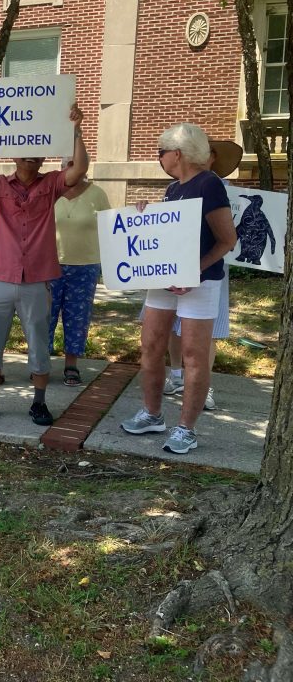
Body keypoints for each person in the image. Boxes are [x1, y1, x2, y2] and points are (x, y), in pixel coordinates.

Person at [0, 104, 89, 427]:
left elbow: (79, 168)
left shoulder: (52, 183)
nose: (32, 156)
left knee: (39, 342)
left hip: (37, 278)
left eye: (38, 153)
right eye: (26, 152)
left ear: (43, 158)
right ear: (14, 155)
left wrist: (76, 130)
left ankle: (39, 403)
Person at [123, 126, 237, 452]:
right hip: (165, 280)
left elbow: (227, 239)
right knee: (151, 345)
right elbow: (169, 236)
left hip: (200, 283)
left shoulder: (209, 183)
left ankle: (186, 428)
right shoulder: (174, 189)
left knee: (193, 355)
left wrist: (193, 271)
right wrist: (146, 216)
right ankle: (152, 413)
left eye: (160, 152)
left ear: (177, 153)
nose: (159, 159)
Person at [47, 173, 110, 386]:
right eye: (64, 165)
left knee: (77, 317)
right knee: (45, 315)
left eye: (73, 165)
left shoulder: (97, 194)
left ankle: (71, 365)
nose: (68, 170)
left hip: (86, 266)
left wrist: (140, 212)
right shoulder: (51, 193)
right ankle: (41, 364)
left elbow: (113, 226)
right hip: (50, 265)